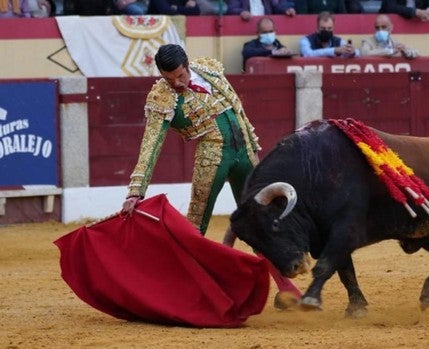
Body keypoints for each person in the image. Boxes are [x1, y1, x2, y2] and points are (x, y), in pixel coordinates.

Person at [121, 44, 302, 308]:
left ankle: (287, 288)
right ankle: (184, 292)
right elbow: (151, 145)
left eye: (180, 76)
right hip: (212, 158)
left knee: (260, 221)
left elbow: (237, 112)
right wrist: (136, 190)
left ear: (188, 65)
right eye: (169, 79)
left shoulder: (209, 70)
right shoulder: (161, 97)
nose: (177, 83)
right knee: (195, 228)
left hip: (245, 152)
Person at [227, 0, 295, 21]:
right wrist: (241, 12)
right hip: (245, 28)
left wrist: (286, 10)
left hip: (266, 28)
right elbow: (231, 9)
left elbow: (276, 7)